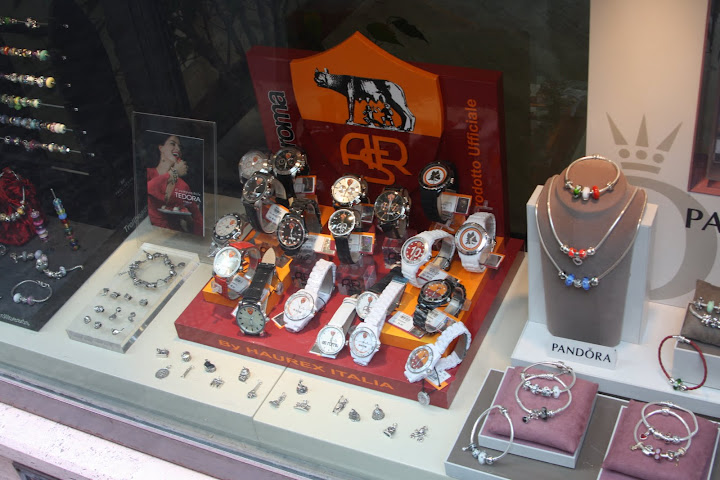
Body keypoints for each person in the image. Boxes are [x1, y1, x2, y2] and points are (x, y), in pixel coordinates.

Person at [146, 134, 203, 235]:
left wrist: (190, 222)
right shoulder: (148, 173)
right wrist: (174, 173)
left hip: (175, 236)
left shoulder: (183, 186)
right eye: (172, 144)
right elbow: (148, 188)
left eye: (179, 147)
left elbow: (198, 218)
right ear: (161, 148)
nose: (178, 149)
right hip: (149, 233)